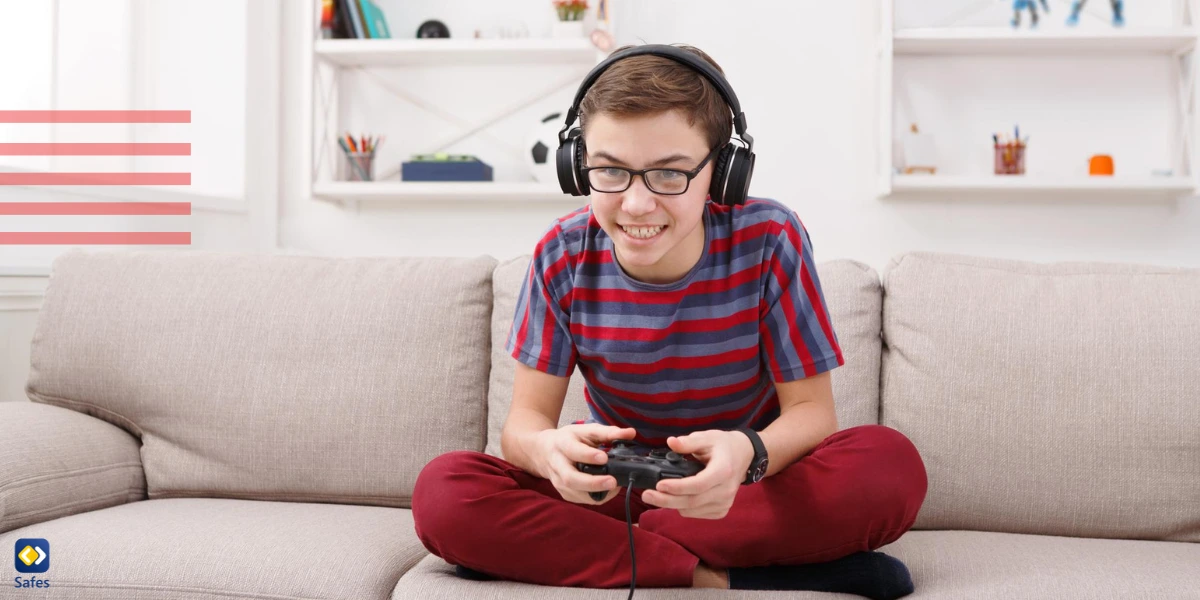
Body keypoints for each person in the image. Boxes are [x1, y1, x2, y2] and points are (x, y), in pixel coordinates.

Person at [412, 43, 927, 600]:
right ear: (578, 164)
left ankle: (601, 552)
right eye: (609, 170)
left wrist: (748, 454)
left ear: (724, 173)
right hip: (613, 491)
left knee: (889, 466)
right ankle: (714, 575)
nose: (635, 204)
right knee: (444, 493)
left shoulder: (771, 239)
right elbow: (523, 427)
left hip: (742, 489)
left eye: (669, 174)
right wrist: (549, 453)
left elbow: (811, 413)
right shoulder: (561, 255)